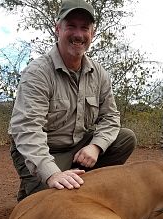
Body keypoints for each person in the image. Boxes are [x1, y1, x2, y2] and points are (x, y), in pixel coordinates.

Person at [9, 0, 137, 201]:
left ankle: (82, 182)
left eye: (84, 28)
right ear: (57, 29)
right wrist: (52, 174)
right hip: (44, 151)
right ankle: (34, 187)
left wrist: (95, 146)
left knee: (125, 138)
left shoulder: (99, 73)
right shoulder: (38, 73)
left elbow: (111, 117)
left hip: (78, 149)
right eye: (71, 26)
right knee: (52, 203)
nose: (78, 34)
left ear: (92, 34)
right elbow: (26, 129)